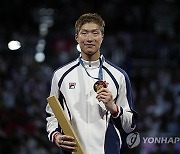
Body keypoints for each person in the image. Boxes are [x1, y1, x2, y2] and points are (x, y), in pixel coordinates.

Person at [46, 13, 137, 154]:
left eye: (95, 33)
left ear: (102, 37)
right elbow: (52, 114)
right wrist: (56, 136)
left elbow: (130, 125)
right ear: (77, 37)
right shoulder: (60, 75)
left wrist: (113, 108)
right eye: (84, 33)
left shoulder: (118, 76)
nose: (89, 39)